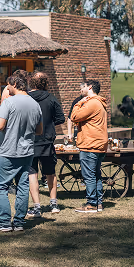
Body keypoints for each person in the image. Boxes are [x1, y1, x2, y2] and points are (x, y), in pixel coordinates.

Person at [0, 73, 43, 232]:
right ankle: (19, 222)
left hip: (8, 151)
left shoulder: (8, 102)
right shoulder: (35, 104)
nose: (7, 88)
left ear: (13, 85)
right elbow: (39, 130)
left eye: (7, 86)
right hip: (26, 152)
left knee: (0, 186)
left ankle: (4, 222)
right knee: (23, 186)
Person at [26, 72, 65, 218]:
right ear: (45, 83)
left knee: (32, 173)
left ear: (32, 83)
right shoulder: (51, 98)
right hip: (47, 139)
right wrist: (48, 124)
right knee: (50, 172)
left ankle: (37, 207)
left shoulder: (26, 98)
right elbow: (60, 118)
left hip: (30, 140)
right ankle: (53, 204)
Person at [71, 80, 108, 213]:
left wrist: (79, 103)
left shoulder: (92, 103)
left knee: (89, 176)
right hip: (98, 143)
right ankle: (98, 203)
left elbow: (74, 116)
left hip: (90, 144)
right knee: (96, 175)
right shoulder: (99, 102)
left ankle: (91, 203)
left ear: (90, 87)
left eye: (84, 86)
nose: (81, 88)